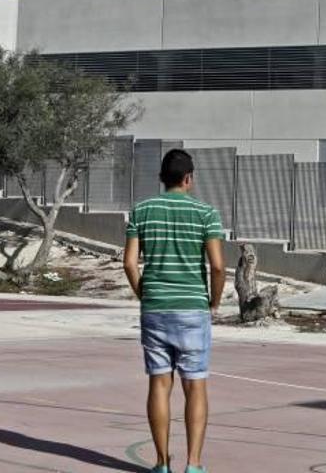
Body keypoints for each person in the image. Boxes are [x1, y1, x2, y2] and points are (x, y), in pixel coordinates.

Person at [123, 149, 225, 473]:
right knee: (195, 384)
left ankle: (161, 462)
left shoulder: (142, 211)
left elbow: (129, 263)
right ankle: (194, 464)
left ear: (161, 179)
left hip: (155, 308)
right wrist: (214, 300)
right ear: (189, 178)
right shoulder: (206, 213)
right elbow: (218, 266)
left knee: (159, 383)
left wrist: (144, 292)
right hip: (192, 308)